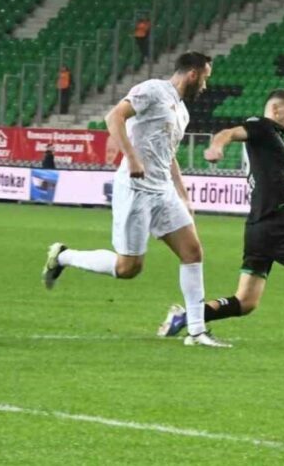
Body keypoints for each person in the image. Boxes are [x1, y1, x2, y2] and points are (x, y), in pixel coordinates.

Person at [41, 52, 229, 348]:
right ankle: (63, 256)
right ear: (192, 74)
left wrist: (183, 194)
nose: (205, 85)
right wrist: (132, 158)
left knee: (192, 252)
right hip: (135, 188)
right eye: (205, 77)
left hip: (163, 191)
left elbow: (169, 155)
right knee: (129, 268)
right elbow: (113, 116)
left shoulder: (182, 111)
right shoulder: (153, 89)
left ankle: (197, 331)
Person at [156, 89, 284, 346]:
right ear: (275, 110)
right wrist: (216, 147)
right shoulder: (261, 127)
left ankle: (187, 316)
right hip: (279, 222)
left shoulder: (272, 141)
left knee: (245, 302)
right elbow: (229, 133)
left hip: (258, 227)